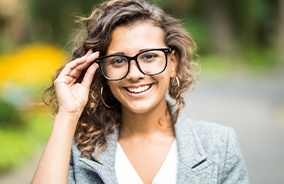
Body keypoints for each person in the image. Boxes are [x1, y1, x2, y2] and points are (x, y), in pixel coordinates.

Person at [32, 0, 249, 183]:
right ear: (102, 71)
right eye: (118, 60)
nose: (134, 73)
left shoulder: (220, 144)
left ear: (172, 62)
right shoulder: (77, 150)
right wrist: (67, 115)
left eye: (149, 56)